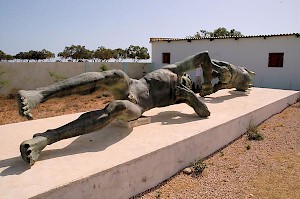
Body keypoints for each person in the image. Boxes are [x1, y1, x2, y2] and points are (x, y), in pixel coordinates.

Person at [17, 51, 253, 165]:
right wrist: (210, 76)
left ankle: (45, 139)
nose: (185, 82)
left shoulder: (181, 96)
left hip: (138, 105)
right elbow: (203, 55)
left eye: (188, 84)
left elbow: (205, 112)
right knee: (114, 74)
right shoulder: (175, 70)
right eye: (187, 81)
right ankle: (39, 94)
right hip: (133, 85)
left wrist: (189, 96)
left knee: (117, 108)